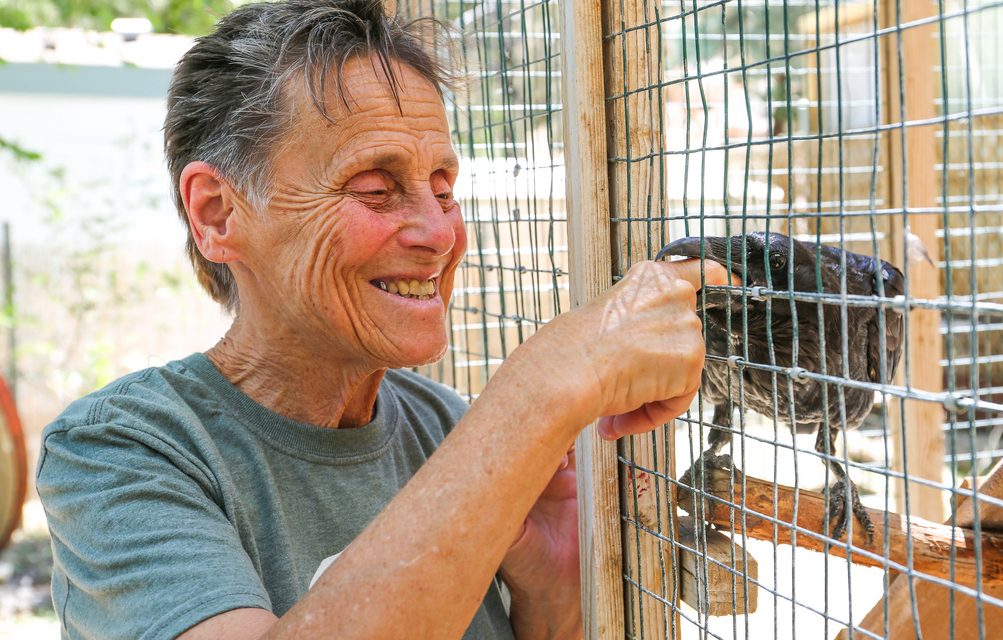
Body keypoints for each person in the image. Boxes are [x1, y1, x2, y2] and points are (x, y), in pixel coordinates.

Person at [36, 1, 727, 638]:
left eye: (444, 189)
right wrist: (544, 384)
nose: (438, 232)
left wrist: (551, 597)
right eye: (376, 188)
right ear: (219, 212)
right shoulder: (120, 452)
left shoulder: (444, 427)